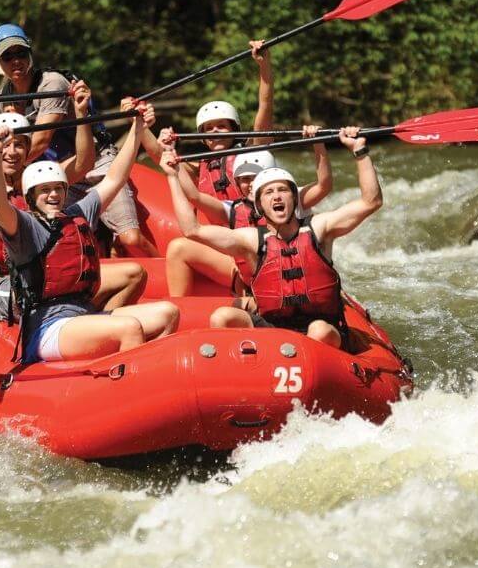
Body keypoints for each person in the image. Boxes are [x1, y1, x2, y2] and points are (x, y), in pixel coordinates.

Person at [0, 88, 144, 320]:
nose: (12, 152)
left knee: (134, 274)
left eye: (20, 145)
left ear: (29, 150)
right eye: (5, 144)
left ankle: (95, 326)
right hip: (6, 283)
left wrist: (81, 113)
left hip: (50, 274)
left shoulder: (40, 182)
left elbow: (83, 163)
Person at [0, 107, 179, 364]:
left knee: (168, 313)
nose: (53, 195)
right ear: (31, 196)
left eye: (58, 189)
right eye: (45, 190)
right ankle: (133, 384)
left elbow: (114, 179)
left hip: (84, 314)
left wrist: (137, 127)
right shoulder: (24, 227)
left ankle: (145, 373)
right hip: (47, 327)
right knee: (130, 327)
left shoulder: (78, 213)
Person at [161, 127, 380, 348]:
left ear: (294, 198)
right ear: (259, 205)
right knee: (223, 317)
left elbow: (371, 202)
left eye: (282, 190)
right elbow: (192, 230)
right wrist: (172, 176)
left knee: (318, 331)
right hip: (273, 327)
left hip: (322, 328)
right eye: (268, 192)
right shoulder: (252, 240)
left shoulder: (319, 228)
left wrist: (360, 152)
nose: (276, 196)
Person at [0, 23, 158, 256]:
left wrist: (2, 165)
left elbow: (40, 141)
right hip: (59, 173)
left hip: (97, 163)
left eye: (20, 53)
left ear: (30, 54)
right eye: (7, 56)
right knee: (58, 242)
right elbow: (15, 145)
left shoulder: (52, 83)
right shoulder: (4, 97)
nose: (15, 60)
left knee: (131, 239)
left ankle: (165, 272)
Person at [161, 128, 334, 296]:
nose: (251, 184)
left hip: (298, 277)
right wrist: (172, 165)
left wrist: (318, 144)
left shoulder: (291, 198)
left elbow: (324, 185)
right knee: (180, 247)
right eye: (245, 179)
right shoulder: (233, 208)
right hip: (256, 277)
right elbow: (194, 196)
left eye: (256, 177)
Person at [173, 41, 274, 202]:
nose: (215, 131)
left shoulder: (255, 152)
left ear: (234, 129)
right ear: (203, 137)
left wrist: (264, 65)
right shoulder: (197, 167)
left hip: (253, 224)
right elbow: (161, 157)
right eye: (209, 128)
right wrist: (138, 120)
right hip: (219, 224)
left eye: (222, 126)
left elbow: (265, 105)